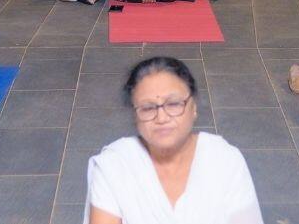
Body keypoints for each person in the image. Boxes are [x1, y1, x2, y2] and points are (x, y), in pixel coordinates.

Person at [85, 57, 262, 224]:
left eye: (174, 104)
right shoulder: (114, 164)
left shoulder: (225, 159)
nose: (161, 118)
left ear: (193, 108)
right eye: (147, 108)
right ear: (135, 115)